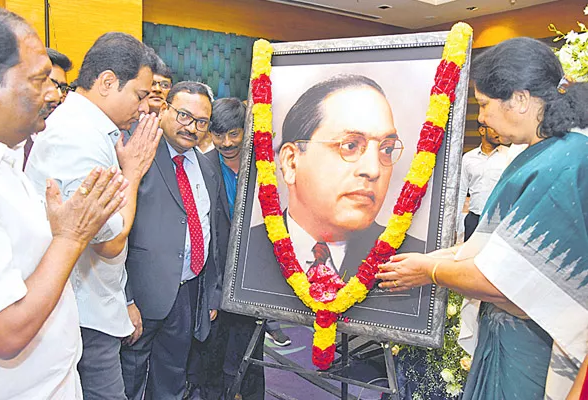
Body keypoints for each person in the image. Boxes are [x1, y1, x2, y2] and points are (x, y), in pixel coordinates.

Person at [376, 37, 588, 400]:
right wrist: (432, 261)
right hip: (513, 335)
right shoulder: (540, 152)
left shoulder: (563, 160)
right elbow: (495, 248)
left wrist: (430, 271)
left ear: (520, 99)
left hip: (533, 344)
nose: (482, 117)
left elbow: (513, 281)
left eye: (485, 104)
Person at [0, 6, 127, 399]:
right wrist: (71, 237)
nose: (53, 94)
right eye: (40, 80)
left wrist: (58, 229)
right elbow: (3, 331)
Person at [25, 32, 163, 400]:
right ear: (106, 82)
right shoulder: (77, 138)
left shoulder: (94, 130)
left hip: (91, 304)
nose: (144, 107)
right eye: (139, 94)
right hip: (81, 314)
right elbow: (110, 243)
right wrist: (132, 173)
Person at [244, 74, 425, 298]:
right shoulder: (243, 252)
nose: (373, 170)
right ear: (291, 161)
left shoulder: (413, 264)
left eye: (387, 149)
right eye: (350, 145)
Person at [120, 81, 224, 400]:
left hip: (186, 293)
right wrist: (125, 299)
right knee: (130, 377)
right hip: (141, 295)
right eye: (183, 115)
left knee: (172, 375)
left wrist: (210, 294)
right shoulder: (138, 152)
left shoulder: (207, 166)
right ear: (163, 108)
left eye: (201, 122)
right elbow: (115, 232)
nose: (191, 127)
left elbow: (212, 233)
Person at [186, 97, 265, 400]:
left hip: (254, 278)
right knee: (213, 356)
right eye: (219, 135)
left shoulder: (263, 168)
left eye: (234, 133)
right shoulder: (202, 166)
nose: (227, 142)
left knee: (250, 354)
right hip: (215, 279)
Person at [20, 47, 73, 170]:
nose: (58, 95)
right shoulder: (10, 139)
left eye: (62, 88)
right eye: (52, 84)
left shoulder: (63, 135)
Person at [456, 121, 509, 241]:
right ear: (482, 130)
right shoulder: (468, 158)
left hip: (498, 219)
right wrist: (458, 225)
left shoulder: (509, 155)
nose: (498, 132)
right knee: (467, 256)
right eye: (494, 128)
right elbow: (461, 192)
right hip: (473, 219)